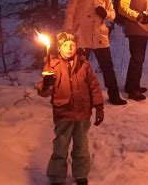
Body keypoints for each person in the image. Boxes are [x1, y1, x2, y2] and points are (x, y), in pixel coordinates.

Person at [36, 31, 104, 185]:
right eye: (65, 45)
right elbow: (44, 92)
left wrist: (99, 106)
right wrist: (46, 84)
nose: (69, 48)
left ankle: (80, 174)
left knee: (81, 146)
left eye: (72, 45)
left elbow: (94, 86)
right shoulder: (53, 65)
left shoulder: (84, 65)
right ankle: (56, 176)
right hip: (63, 114)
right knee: (60, 145)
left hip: (82, 114)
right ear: (59, 48)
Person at [64, 0, 127, 105]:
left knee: (107, 66)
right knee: (79, 68)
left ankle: (114, 95)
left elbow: (113, 14)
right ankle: (78, 96)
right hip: (81, 35)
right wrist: (68, 33)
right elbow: (70, 13)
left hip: (100, 35)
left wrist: (105, 13)